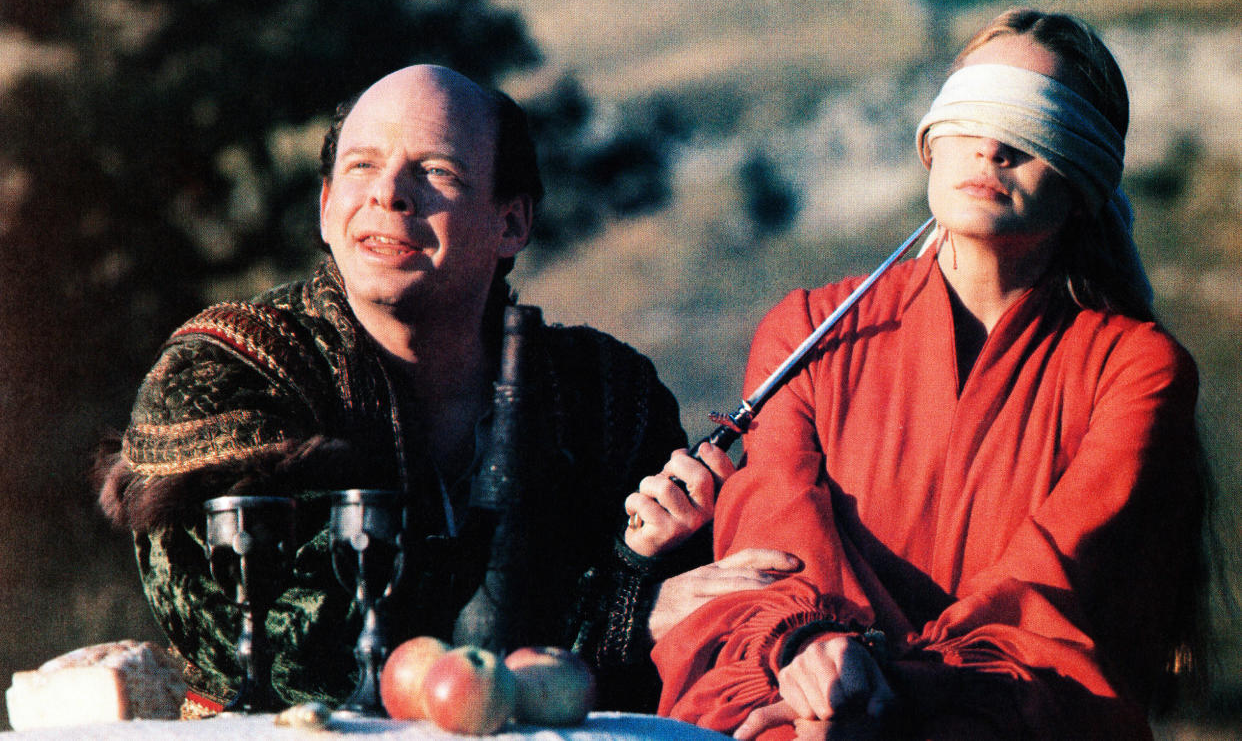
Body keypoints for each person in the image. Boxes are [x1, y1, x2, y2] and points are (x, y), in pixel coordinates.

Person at [97, 64, 796, 716]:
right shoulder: (224, 372)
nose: (388, 193)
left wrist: (642, 561)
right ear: (325, 205)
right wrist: (620, 611)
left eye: (435, 171)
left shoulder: (610, 396)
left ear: (512, 222)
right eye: (361, 166)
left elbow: (694, 623)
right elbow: (300, 645)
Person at [652, 10, 1206, 740]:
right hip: (792, 702)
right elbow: (774, 550)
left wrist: (881, 697)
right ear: (931, 145)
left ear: (1086, 175)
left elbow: (1049, 607)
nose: (993, 146)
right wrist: (810, 649)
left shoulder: (1135, 370)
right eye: (972, 113)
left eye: (1034, 124)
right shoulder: (808, 331)